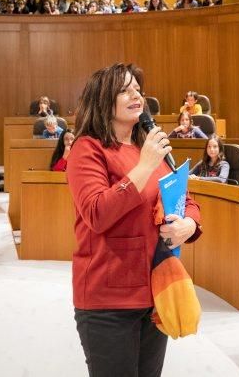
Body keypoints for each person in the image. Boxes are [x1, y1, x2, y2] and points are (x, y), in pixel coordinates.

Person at [66, 63, 202, 376]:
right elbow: (97, 214)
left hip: (154, 288)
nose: (136, 94)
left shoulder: (148, 146)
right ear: (103, 100)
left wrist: (189, 225)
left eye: (137, 89)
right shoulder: (88, 149)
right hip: (108, 296)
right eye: (125, 90)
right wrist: (143, 167)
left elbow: (185, 198)